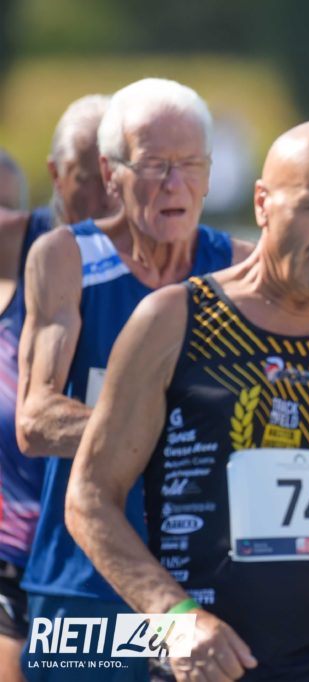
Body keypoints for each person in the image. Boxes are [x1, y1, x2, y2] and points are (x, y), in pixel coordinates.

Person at [66, 118, 309, 682]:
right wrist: (174, 617)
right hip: (212, 664)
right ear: (263, 203)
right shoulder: (174, 322)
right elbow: (90, 497)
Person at [16, 78, 249, 680]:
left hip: (213, 584)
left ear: (209, 172)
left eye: (190, 164)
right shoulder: (66, 257)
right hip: (84, 585)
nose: (174, 184)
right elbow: (35, 419)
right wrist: (168, 430)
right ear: (110, 172)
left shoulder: (242, 267)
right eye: (153, 165)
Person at [0, 95, 115, 682]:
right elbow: (33, 422)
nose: (103, 199)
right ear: (55, 174)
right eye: (85, 177)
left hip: (116, 561)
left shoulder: (174, 261)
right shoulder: (28, 243)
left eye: (112, 178)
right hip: (18, 559)